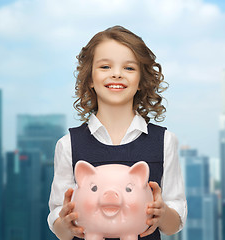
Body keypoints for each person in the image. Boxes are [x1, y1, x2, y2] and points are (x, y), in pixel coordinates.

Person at [48, 25, 187, 240]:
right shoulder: (67, 145)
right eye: (105, 66)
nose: (116, 74)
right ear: (90, 78)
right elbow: (59, 222)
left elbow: (174, 223)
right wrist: (65, 224)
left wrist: (162, 214)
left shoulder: (164, 141)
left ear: (141, 81)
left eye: (129, 68)